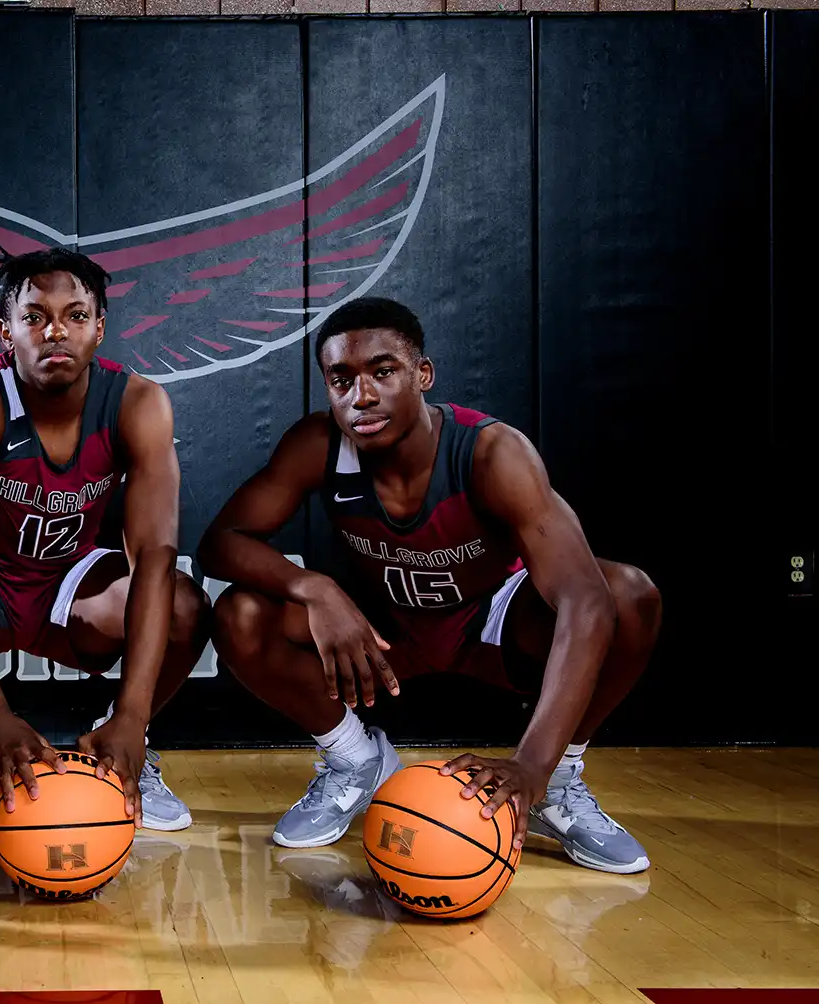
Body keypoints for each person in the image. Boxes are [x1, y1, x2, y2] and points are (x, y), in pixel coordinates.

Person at [199, 296, 661, 874]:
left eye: (382, 372)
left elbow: (585, 601)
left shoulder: (491, 452)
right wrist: (314, 588)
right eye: (341, 380)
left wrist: (534, 763)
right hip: (385, 629)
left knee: (627, 595)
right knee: (241, 614)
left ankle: (558, 783)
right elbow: (222, 542)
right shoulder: (319, 444)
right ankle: (356, 761)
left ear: (423, 374)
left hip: (492, 619)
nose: (361, 396)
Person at [0, 247, 211, 841]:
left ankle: (124, 744)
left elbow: (153, 557)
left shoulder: (136, 402)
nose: (56, 331)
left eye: (75, 315)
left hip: (75, 583)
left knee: (183, 605)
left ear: (99, 327)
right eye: (34, 316)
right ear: (6, 330)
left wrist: (134, 716)